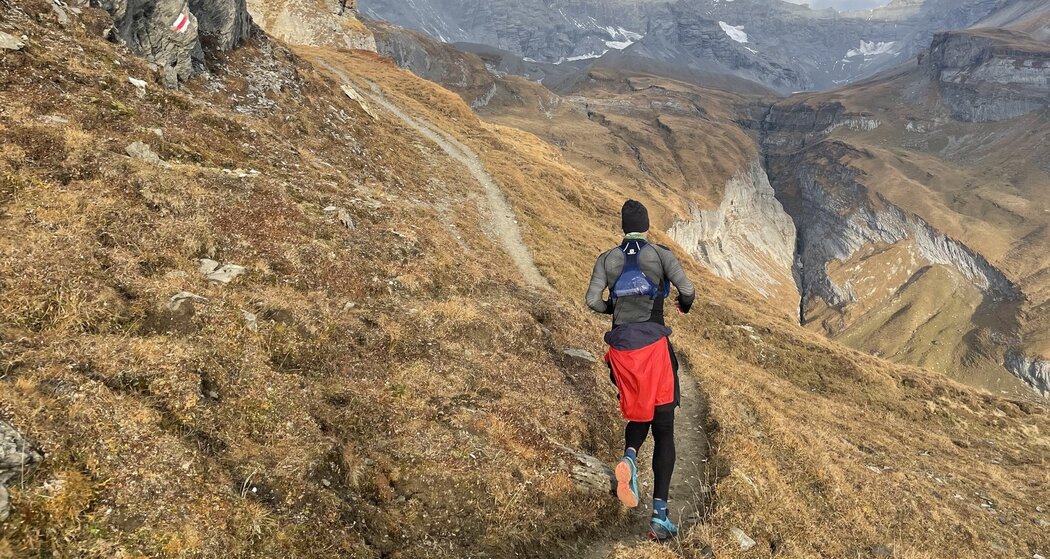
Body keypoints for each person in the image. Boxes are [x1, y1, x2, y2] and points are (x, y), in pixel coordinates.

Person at [585, 200, 695, 541]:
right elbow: (688, 291)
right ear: (646, 226)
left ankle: (630, 458)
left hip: (622, 352)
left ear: (622, 227)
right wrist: (681, 305)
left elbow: (592, 301)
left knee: (638, 413)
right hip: (654, 350)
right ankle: (660, 516)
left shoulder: (607, 259)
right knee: (664, 427)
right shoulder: (660, 255)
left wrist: (614, 310)